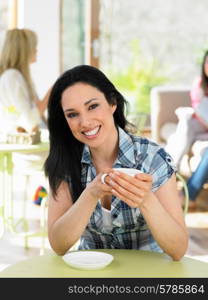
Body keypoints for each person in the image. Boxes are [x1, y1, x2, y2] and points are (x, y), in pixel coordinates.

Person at [44, 65, 188, 261]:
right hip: (90, 276)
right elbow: (59, 246)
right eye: (72, 114)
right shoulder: (65, 162)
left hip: (149, 275)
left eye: (92, 106)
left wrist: (146, 200)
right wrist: (91, 194)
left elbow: (178, 249)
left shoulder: (152, 158)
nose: (85, 122)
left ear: (112, 103)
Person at [0, 28, 50, 135]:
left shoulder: (19, 77)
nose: (36, 51)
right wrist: (51, 93)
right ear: (24, 51)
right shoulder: (12, 77)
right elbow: (30, 121)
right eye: (34, 47)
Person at [165, 50, 208, 168]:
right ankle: (172, 167)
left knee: (182, 131)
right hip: (199, 124)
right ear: (204, 64)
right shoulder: (199, 84)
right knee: (187, 124)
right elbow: (199, 110)